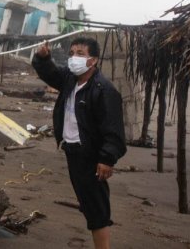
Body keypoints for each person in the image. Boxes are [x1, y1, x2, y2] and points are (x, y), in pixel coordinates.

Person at [32, 37, 126, 249]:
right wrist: (43, 58)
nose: (74, 58)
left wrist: (107, 159)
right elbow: (50, 74)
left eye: (80, 54)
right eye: (72, 53)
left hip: (91, 155)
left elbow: (114, 130)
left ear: (93, 60)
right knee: (87, 200)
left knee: (96, 207)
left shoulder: (104, 90)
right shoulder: (70, 79)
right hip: (72, 150)